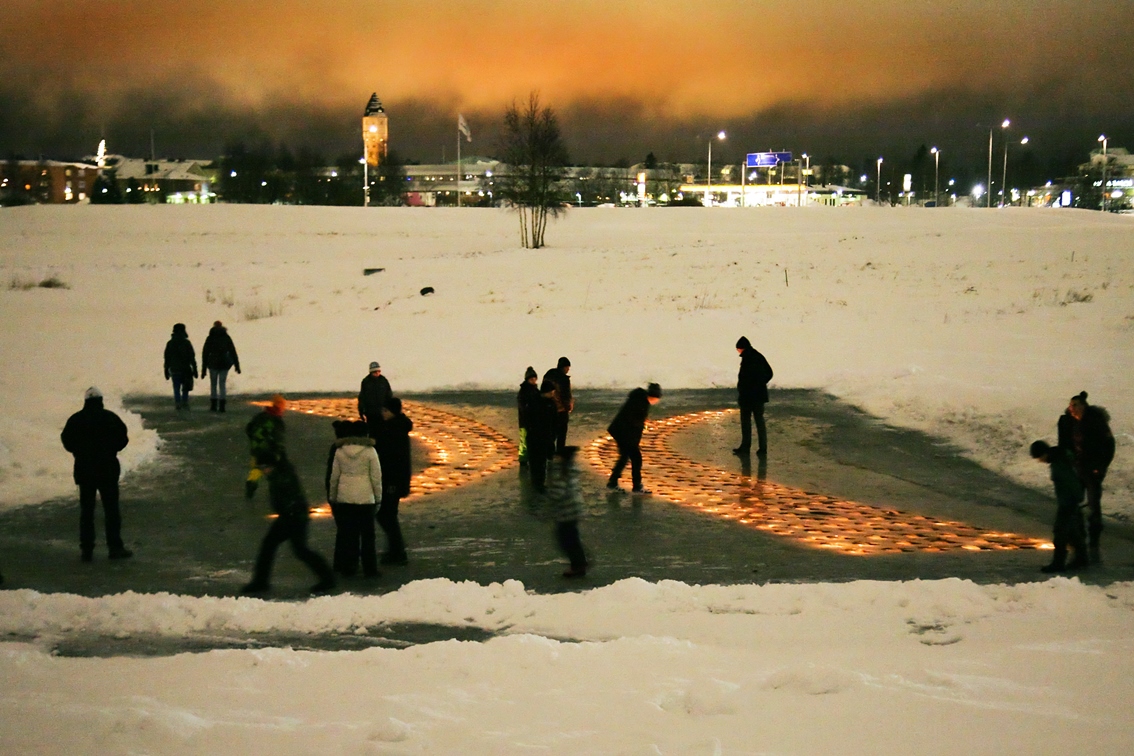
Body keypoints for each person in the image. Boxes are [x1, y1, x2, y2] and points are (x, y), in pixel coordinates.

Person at [241, 452, 336, 596]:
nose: (264, 471)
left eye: (265, 467)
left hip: (293, 517)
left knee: (297, 549)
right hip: (289, 516)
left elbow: (290, 498)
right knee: (276, 547)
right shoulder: (279, 472)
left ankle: (328, 578)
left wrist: (289, 514)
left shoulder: (282, 476)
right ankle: (261, 581)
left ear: (271, 465)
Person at [60, 387, 132, 561]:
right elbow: (123, 438)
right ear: (101, 400)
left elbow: (67, 441)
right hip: (107, 469)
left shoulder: (76, 420)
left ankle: (87, 550)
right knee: (111, 509)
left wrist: (80, 452)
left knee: (87, 511)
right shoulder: (110, 418)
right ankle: (115, 547)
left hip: (84, 470)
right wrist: (111, 450)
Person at [1057, 391, 1115, 564]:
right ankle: (1079, 535)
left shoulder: (1096, 422)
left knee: (1093, 502)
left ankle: (1094, 537)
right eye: (1070, 405)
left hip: (1092, 469)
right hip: (1077, 467)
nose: (1071, 409)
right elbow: (1065, 442)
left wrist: (1100, 467)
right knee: (1074, 501)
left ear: (1083, 406)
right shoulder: (1068, 421)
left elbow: (1108, 446)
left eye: (1075, 406)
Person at [327, 420, 382, 578]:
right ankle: (370, 568)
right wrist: (378, 498)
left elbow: (334, 477)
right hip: (366, 499)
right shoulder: (370, 452)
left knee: (348, 535)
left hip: (345, 499)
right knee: (368, 536)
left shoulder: (340, 451)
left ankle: (349, 567)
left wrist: (333, 497)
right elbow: (376, 478)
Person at [1030, 440, 1089, 573]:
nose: (1040, 461)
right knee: (1072, 531)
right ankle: (1082, 558)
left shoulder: (1059, 464)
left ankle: (1058, 563)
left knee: (1060, 532)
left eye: (1039, 457)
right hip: (1069, 502)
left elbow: (1071, 482)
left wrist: (1075, 498)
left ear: (1044, 453)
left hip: (1067, 503)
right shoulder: (1061, 459)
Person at [376, 397, 414, 565]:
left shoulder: (394, 430)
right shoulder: (394, 428)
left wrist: (393, 484)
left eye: (385, 411)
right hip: (394, 480)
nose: (382, 413)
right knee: (387, 516)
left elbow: (396, 460)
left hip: (392, 481)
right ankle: (395, 551)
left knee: (386, 516)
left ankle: (397, 552)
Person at [606, 383, 662, 494]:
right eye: (657, 398)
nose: (657, 401)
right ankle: (636, 486)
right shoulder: (640, 402)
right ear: (653, 396)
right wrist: (642, 422)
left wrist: (643, 421)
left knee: (625, 457)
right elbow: (632, 418)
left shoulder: (640, 399)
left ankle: (613, 482)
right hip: (623, 432)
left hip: (621, 431)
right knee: (636, 458)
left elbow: (635, 416)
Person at [546, 445, 588, 578]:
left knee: (566, 539)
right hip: (574, 509)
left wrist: (546, 502)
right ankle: (580, 563)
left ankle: (578, 565)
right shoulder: (571, 469)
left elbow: (557, 492)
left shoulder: (560, 471)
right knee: (572, 538)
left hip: (566, 511)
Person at [733, 336, 773, 456]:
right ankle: (762, 448)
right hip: (759, 396)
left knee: (746, 422)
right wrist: (761, 384)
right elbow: (769, 373)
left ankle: (745, 447)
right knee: (759, 422)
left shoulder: (747, 358)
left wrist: (748, 389)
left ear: (742, 348)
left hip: (748, 397)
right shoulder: (758, 356)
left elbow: (745, 379)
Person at [245, 394, 287, 499]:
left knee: (257, 467)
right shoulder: (277, 421)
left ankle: (251, 482)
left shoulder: (261, 416)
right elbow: (278, 438)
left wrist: (254, 440)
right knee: (273, 469)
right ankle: (277, 492)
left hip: (256, 447)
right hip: (269, 449)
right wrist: (279, 451)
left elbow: (249, 428)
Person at [527, 377, 560, 492]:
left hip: (544, 437)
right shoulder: (538, 403)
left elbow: (555, 422)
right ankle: (537, 483)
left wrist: (553, 436)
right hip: (537, 437)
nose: (553, 393)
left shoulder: (550, 404)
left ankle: (538, 483)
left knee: (540, 463)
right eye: (552, 391)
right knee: (537, 462)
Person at [200, 320, 241, 413]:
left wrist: (204, 369)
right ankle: (222, 405)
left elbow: (205, 353)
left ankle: (213, 405)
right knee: (222, 384)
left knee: (213, 384)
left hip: (213, 364)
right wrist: (236, 365)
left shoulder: (210, 338)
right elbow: (232, 351)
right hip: (224, 364)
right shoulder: (226, 338)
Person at [163, 323, 198, 410]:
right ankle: (185, 402)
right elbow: (192, 356)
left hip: (174, 369)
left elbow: (167, 357)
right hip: (185, 369)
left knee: (176, 387)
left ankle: (178, 403)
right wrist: (195, 368)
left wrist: (166, 369)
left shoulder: (170, 343)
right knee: (185, 387)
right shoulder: (186, 343)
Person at [358, 361, 392, 441]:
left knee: (383, 432)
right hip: (370, 412)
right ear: (371, 372)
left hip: (382, 412)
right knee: (372, 433)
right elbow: (362, 396)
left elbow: (389, 395)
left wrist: (389, 409)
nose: (377, 373)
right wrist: (361, 410)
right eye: (375, 372)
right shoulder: (366, 381)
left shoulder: (384, 381)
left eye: (378, 371)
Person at [516, 366, 540, 466]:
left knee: (532, 440)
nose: (534, 381)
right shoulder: (524, 392)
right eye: (531, 379)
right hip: (525, 421)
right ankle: (523, 460)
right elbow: (523, 407)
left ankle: (530, 458)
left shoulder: (535, 391)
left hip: (533, 421)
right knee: (524, 441)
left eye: (535, 379)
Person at [551, 357, 575, 454]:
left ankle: (549, 449)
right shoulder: (563, 379)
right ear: (564, 367)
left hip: (549, 407)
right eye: (567, 367)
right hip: (560, 409)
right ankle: (560, 449)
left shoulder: (549, 375)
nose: (568, 370)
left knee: (551, 429)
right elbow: (565, 395)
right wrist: (568, 406)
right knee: (562, 430)